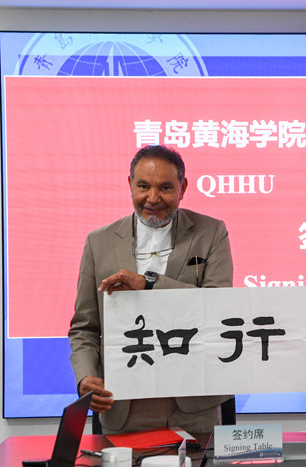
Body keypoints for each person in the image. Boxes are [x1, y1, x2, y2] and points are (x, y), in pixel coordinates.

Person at [68, 145, 234, 434]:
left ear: (182, 188)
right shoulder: (99, 242)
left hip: (194, 403)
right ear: (130, 185)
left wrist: (149, 284)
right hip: (123, 403)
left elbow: (217, 308)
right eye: (143, 186)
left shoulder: (211, 232)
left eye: (165, 188)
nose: (153, 198)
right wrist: (86, 376)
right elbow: (84, 327)